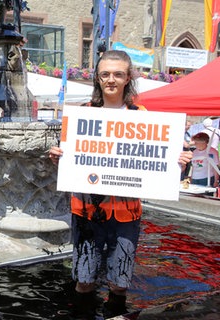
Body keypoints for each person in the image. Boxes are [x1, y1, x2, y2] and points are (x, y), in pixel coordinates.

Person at [48, 51, 192, 319]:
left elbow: (159, 159)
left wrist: (178, 161)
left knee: (120, 283)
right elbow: (70, 160)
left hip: (126, 213)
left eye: (118, 74)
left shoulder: (143, 116)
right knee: (84, 280)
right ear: (97, 78)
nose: (111, 80)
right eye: (105, 74)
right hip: (86, 211)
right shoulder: (82, 115)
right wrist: (58, 158)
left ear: (128, 78)